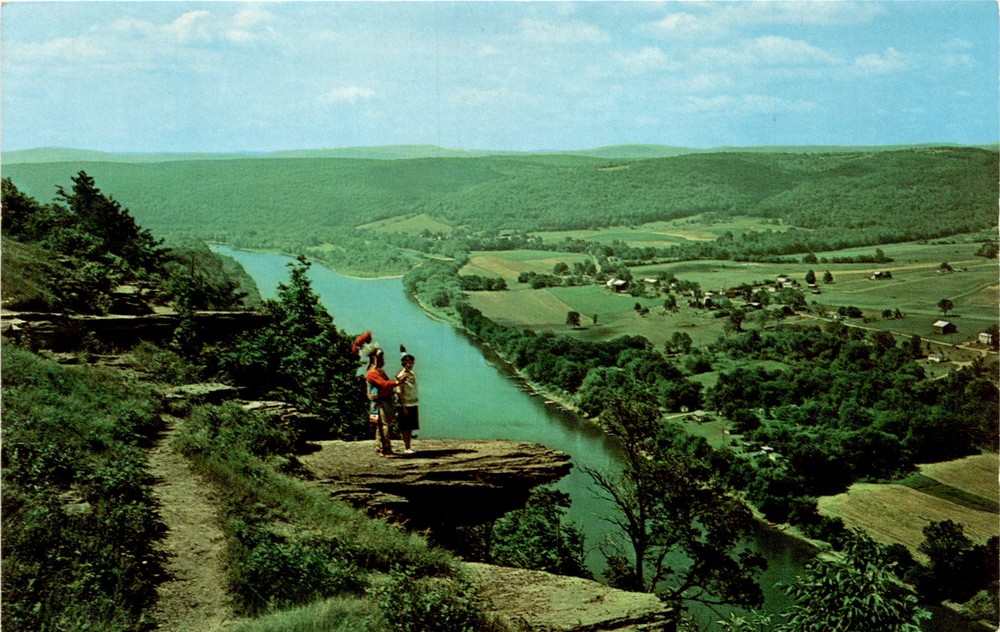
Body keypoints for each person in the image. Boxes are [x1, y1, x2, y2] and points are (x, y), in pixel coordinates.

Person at [364, 345, 398, 457]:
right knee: (384, 425)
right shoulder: (373, 373)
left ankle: (380, 448)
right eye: (380, 357)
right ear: (374, 358)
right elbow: (383, 384)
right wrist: (397, 382)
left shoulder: (378, 371)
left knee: (381, 425)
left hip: (382, 400)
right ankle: (386, 449)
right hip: (379, 402)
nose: (383, 359)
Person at [396, 345, 420, 454]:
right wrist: (403, 406)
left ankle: (409, 446)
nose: (411, 365)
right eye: (409, 363)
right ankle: (406, 447)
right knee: (405, 427)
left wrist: (404, 352)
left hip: (413, 402)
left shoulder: (410, 373)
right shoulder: (402, 375)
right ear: (405, 364)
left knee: (410, 427)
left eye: (412, 363)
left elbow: (405, 358)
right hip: (406, 405)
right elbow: (399, 391)